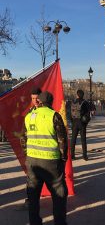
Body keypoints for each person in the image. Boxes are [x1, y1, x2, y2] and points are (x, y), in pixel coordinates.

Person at [23, 91, 68, 225]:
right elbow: (62, 141)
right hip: (51, 161)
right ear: (51, 102)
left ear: (40, 102)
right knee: (59, 195)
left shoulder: (29, 116)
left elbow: (23, 139)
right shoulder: (54, 115)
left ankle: (34, 222)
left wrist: (28, 154)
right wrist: (63, 158)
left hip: (32, 161)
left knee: (33, 196)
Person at [70, 89, 90, 161]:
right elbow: (88, 114)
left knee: (73, 140)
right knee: (83, 140)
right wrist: (85, 123)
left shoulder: (73, 102)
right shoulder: (85, 102)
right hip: (82, 122)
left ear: (77, 95)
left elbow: (70, 113)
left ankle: (72, 155)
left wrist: (72, 121)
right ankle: (85, 156)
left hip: (74, 122)